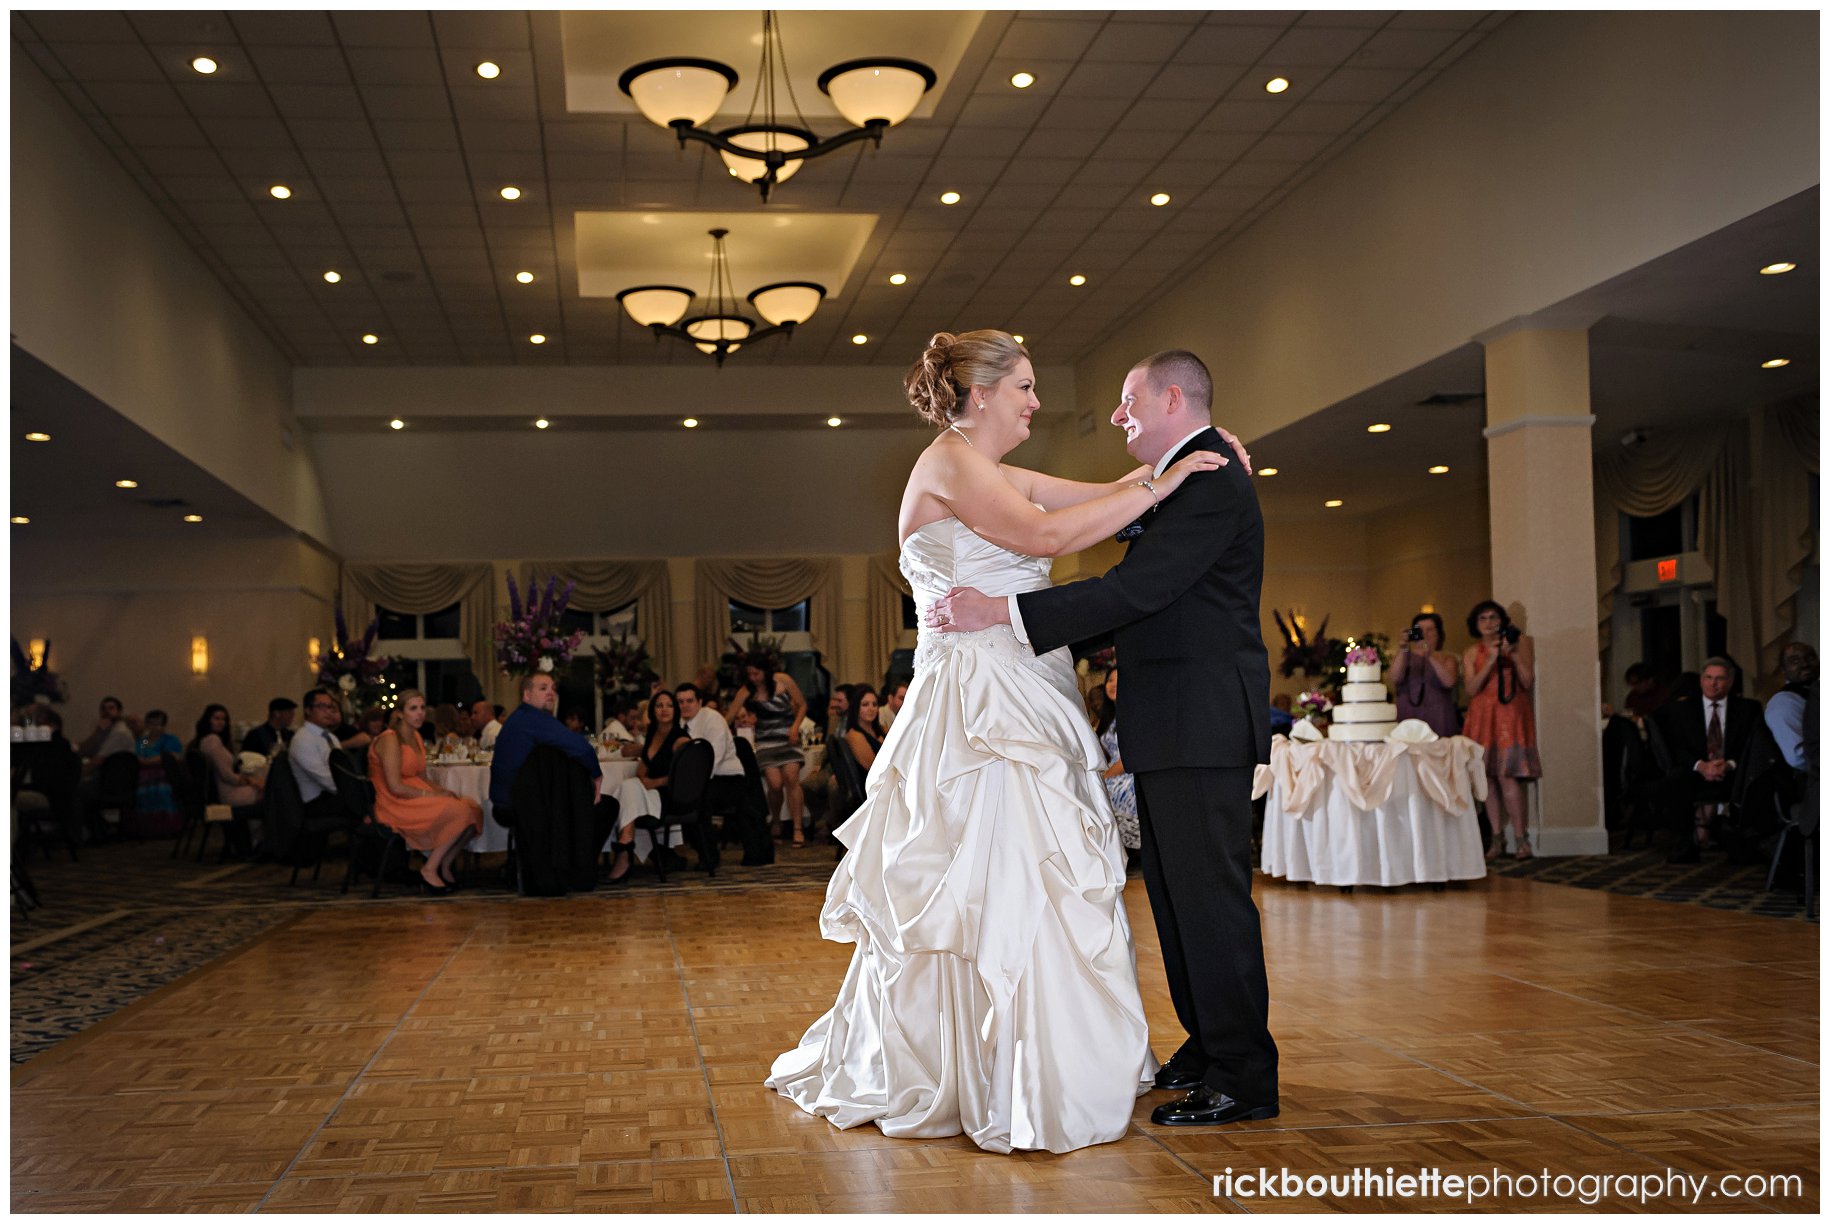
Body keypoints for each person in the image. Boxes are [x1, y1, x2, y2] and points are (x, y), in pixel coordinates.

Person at [770, 331, 1247, 1153]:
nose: (1035, 400)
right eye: (1024, 386)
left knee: (1042, 878)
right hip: (977, 707)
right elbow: (1048, 539)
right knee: (988, 876)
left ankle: (1050, 1058)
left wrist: (1195, 455)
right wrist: (1166, 479)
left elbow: (1098, 491)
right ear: (980, 392)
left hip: (1027, 688)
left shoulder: (992, 472)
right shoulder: (951, 464)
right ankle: (987, 1068)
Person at [921, 343, 1275, 1134]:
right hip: (1172, 720)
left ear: (1174, 403)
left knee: (1210, 901)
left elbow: (1137, 588)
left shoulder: (1209, 476)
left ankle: (1245, 1072)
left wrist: (1007, 615)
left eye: (1129, 402)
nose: (1115, 416)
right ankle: (1211, 1046)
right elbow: (1099, 520)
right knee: (1180, 900)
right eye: (1025, 385)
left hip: (1201, 720)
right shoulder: (1184, 473)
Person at [1652, 657, 1765, 863]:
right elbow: (1676, 747)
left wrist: (1729, 764)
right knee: (1674, 780)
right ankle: (1684, 845)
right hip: (1695, 770)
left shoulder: (1748, 709)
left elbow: (1752, 746)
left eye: (1720, 678)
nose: (1713, 684)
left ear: (1730, 682)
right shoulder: (1682, 709)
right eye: (1708, 678)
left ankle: (1743, 845)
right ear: (1701, 680)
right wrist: (1701, 766)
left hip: (1733, 770)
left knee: (1757, 779)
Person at [369, 690, 483, 894]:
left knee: (472, 808)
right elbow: (395, 786)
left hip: (415, 793)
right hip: (395, 801)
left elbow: (422, 777)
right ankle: (429, 869)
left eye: (422, 708)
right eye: (413, 708)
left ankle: (444, 864)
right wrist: (432, 796)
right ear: (400, 713)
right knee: (460, 812)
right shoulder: (390, 739)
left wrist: (444, 791)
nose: (420, 713)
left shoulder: (416, 736)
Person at [1461, 600, 1540, 860]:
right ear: (1476, 625)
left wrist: (1513, 654)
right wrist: (1491, 660)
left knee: (1508, 776)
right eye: (1482, 618)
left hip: (1509, 715)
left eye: (1493, 617)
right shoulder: (1472, 652)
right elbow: (1471, 689)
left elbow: (1527, 681)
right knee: (1488, 779)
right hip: (1482, 717)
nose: (1488, 623)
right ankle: (1496, 839)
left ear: (1501, 620)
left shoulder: (1521, 643)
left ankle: (1521, 839)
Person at [606, 690, 695, 881]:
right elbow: (641, 770)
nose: (664, 709)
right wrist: (644, 780)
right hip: (649, 794)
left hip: (667, 797)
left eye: (669, 705)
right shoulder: (653, 735)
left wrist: (655, 782)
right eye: (659, 705)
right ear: (652, 710)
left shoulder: (679, 738)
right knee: (629, 786)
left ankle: (624, 852)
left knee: (628, 787)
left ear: (676, 710)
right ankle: (625, 845)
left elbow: (685, 775)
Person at [729, 653, 810, 846]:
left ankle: (798, 829)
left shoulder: (783, 680)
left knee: (791, 777)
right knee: (774, 784)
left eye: (756, 673)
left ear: (765, 671)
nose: (753, 678)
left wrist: (795, 727)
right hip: (765, 740)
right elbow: (729, 716)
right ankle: (775, 819)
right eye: (749, 674)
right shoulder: (746, 691)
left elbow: (802, 705)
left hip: (788, 738)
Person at [1090, 667, 1141, 859]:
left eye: (1118, 680)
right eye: (1110, 680)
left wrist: (1104, 777)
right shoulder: (1110, 718)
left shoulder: (1134, 715)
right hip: (1114, 772)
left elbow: (1128, 756)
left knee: (1098, 791)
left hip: (1128, 773)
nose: (1113, 684)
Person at [1391, 611, 1460, 737]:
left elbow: (1449, 682)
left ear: (1438, 634)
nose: (1425, 634)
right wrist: (1403, 647)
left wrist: (1429, 655)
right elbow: (1395, 678)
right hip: (1409, 715)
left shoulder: (1447, 658)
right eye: (1420, 630)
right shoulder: (1405, 655)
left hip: (1439, 714)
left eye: (1430, 630)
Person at [290, 688, 346, 826]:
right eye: (322, 706)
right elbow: (324, 778)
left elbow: (343, 769)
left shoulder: (331, 737)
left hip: (333, 794)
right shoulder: (303, 739)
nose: (328, 711)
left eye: (330, 707)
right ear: (308, 710)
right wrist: (352, 791)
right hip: (315, 802)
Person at [131, 709, 184, 837]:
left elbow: (169, 756)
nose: (155, 727)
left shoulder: (170, 739)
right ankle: (147, 828)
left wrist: (148, 761)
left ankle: (167, 827)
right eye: (151, 724)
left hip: (164, 774)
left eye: (159, 724)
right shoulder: (144, 741)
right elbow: (137, 754)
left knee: (162, 791)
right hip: (143, 775)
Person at [842, 686, 886, 772]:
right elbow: (873, 768)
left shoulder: (881, 730)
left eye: (874, 704)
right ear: (856, 708)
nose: (871, 709)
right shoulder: (854, 735)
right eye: (865, 704)